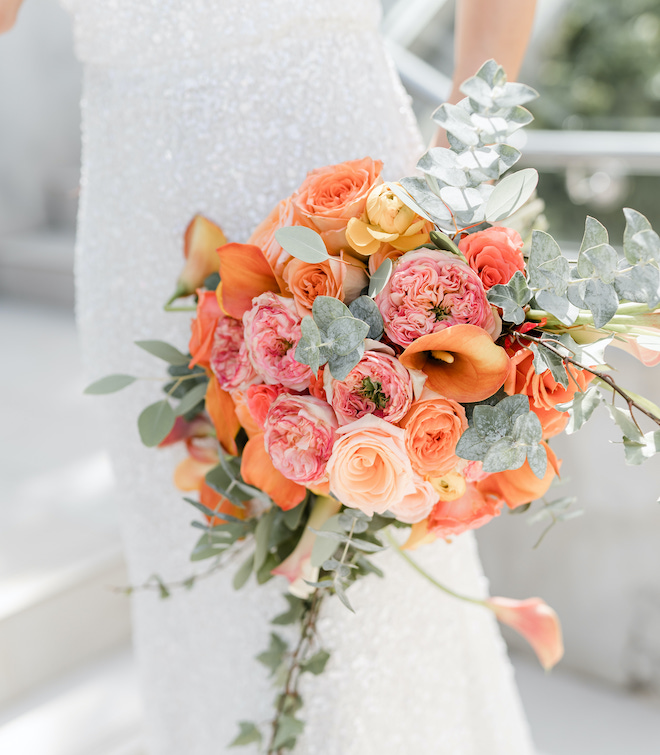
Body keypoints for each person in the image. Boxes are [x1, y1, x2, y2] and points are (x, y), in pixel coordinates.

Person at [2, 1, 538, 752]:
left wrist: (465, 171)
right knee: (193, 575)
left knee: (374, 586)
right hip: (141, 215)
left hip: (336, 182)